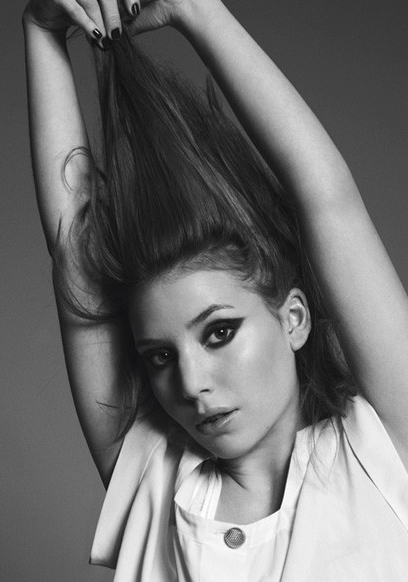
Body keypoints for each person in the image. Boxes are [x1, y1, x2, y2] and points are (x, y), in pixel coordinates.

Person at [22, 0, 408, 580]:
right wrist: (41, 28)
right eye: (160, 356)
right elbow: (74, 251)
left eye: (219, 332)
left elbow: (329, 201)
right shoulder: (152, 479)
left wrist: (198, 11)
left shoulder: (383, 450)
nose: (191, 383)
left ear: (293, 318)